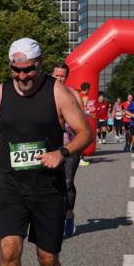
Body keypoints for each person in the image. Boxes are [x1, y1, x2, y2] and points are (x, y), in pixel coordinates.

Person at [0, 41, 93, 266]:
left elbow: (85, 133)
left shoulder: (59, 93)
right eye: (17, 70)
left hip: (47, 190)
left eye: (29, 69)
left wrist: (62, 151)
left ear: (40, 64)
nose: (23, 75)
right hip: (12, 187)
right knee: (9, 250)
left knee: (47, 258)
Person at [51, 63, 85, 237]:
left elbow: (82, 120)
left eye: (62, 76)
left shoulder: (73, 94)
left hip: (70, 145)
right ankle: (52, 219)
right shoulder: (45, 94)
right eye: (56, 76)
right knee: (49, 184)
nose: (59, 79)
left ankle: (69, 216)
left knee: (67, 182)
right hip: (49, 147)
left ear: (67, 77)